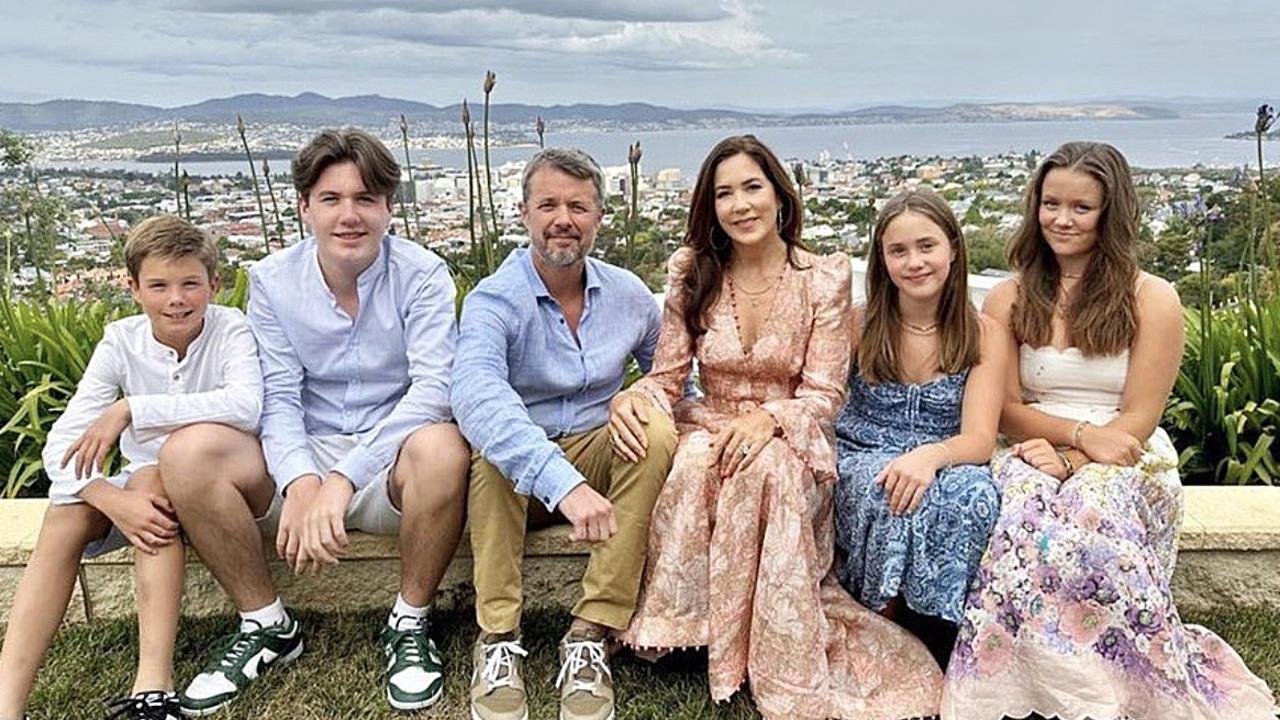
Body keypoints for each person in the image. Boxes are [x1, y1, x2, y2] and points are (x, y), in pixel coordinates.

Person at [942, 141, 1279, 720]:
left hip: (1124, 450)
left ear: (1111, 212)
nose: (1061, 220)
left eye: (1081, 207)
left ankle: (1110, 686)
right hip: (1030, 439)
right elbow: (1003, 406)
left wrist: (1078, 458)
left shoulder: (1153, 298)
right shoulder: (1009, 296)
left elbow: (1139, 420)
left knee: (1095, 521)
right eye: (1050, 204)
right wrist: (1067, 437)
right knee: (1020, 519)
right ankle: (1021, 685)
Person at [614, 135, 942, 720]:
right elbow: (666, 378)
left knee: (761, 467)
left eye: (751, 188)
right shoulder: (693, 272)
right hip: (708, 419)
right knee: (695, 461)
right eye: (724, 194)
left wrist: (770, 419)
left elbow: (824, 394)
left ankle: (767, 646)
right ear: (709, 207)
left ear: (779, 196)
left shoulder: (823, 277)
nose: (740, 205)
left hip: (793, 429)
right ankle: (693, 632)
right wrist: (631, 400)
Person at [165, 128, 468, 715]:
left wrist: (344, 478)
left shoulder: (424, 273)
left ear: (388, 208)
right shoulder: (275, 280)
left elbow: (433, 389)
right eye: (331, 199)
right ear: (304, 206)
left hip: (391, 464)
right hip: (298, 455)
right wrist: (303, 480)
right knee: (187, 454)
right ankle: (266, 623)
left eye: (365, 199)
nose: (349, 215)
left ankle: (410, 621)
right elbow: (277, 394)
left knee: (445, 447)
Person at [0, 216, 261, 720]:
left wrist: (132, 409)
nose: (176, 300)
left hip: (221, 483)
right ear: (133, 288)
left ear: (214, 284)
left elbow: (245, 406)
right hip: (145, 493)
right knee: (67, 515)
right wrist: (108, 498)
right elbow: (61, 445)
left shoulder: (232, 329)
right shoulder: (121, 341)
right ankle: (8, 702)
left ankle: (152, 686)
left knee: (149, 477)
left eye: (190, 284)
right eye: (159, 286)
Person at [453, 147, 674, 720]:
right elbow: (477, 394)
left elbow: (674, 381)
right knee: (494, 453)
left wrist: (640, 394)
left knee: (651, 429)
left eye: (578, 206)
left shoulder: (630, 296)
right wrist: (560, 482)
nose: (563, 219)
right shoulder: (494, 300)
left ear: (599, 216)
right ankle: (498, 637)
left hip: (597, 454)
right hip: (521, 475)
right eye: (548, 204)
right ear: (524, 213)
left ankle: (590, 631)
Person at [833, 188, 1005, 669]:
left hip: (950, 452)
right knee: (888, 489)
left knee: (973, 495)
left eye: (926, 246)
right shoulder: (860, 324)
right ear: (882, 260)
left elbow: (979, 439)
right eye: (899, 251)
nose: (915, 262)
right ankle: (882, 620)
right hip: (865, 447)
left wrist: (930, 456)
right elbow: (825, 401)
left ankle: (944, 628)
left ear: (952, 247)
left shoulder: (983, 332)